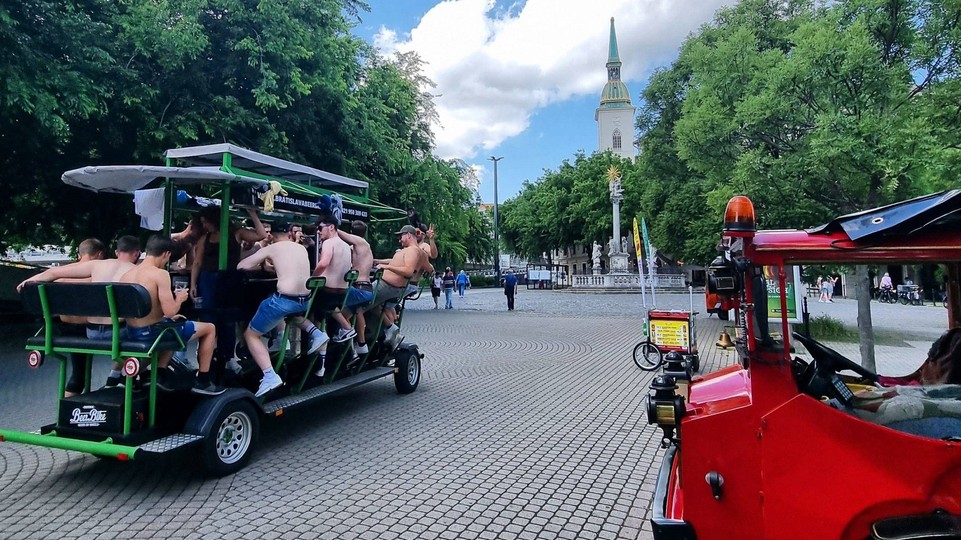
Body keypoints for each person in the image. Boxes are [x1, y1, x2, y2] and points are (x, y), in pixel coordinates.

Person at [19, 236, 143, 388]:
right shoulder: (138, 271)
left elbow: (53, 273)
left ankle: (114, 379)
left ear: (117, 252)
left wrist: (30, 282)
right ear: (137, 253)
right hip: (115, 334)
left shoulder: (96, 267)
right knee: (147, 334)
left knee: (78, 376)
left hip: (87, 333)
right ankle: (122, 378)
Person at [119, 236, 224, 395]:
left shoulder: (126, 275)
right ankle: (203, 380)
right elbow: (171, 311)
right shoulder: (160, 274)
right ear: (166, 254)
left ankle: (159, 374)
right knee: (209, 328)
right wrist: (179, 299)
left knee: (173, 325)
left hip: (133, 331)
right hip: (154, 333)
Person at [237, 223, 328, 396]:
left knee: (251, 334)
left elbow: (241, 266)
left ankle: (269, 375)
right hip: (304, 301)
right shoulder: (300, 248)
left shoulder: (273, 248)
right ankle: (317, 333)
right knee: (291, 315)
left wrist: (262, 259)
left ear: (271, 236)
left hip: (284, 301)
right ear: (288, 233)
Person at [17, 238, 105, 396]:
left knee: (77, 376)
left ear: (80, 254)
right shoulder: (96, 275)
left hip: (62, 328)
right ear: (99, 254)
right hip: (86, 330)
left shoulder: (60, 274)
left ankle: (64, 412)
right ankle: (116, 379)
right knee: (80, 376)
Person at [372, 225, 433, 349]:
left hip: (395, 286)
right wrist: (377, 261)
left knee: (360, 305)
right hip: (396, 286)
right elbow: (430, 268)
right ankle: (388, 330)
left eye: (401, 236)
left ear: (409, 235)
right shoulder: (413, 251)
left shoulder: (414, 250)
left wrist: (387, 267)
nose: (400, 240)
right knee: (378, 306)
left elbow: (408, 270)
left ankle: (387, 331)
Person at [312, 217, 357, 343]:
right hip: (342, 293)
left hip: (327, 292)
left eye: (320, 228)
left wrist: (313, 277)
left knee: (304, 312)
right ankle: (322, 341)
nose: (319, 232)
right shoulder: (346, 246)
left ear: (331, 227)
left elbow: (323, 263)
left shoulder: (329, 243)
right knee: (323, 319)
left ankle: (314, 338)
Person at [336, 220, 375, 355]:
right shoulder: (359, 248)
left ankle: (348, 336)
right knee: (344, 316)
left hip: (360, 289)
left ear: (353, 233)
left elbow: (340, 234)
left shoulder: (360, 243)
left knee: (330, 305)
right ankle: (356, 347)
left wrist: (331, 225)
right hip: (364, 288)